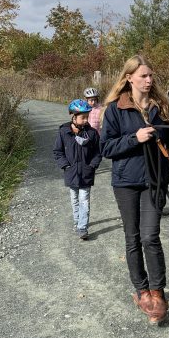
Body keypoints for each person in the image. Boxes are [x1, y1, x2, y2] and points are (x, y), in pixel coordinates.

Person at [100, 55, 169, 325]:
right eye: (143, 76)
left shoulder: (161, 108)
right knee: (133, 238)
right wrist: (134, 138)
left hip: (154, 181)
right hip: (126, 183)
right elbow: (106, 148)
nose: (149, 80)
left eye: (151, 76)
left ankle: (158, 292)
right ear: (129, 78)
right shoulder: (116, 109)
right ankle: (142, 291)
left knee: (150, 237)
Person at [53, 99, 102, 240]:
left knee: (84, 200)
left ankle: (82, 227)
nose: (86, 120)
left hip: (86, 173)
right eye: (83, 117)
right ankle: (77, 221)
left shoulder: (92, 133)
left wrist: (92, 165)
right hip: (71, 173)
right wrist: (65, 165)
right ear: (73, 116)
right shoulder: (64, 132)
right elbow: (58, 151)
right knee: (74, 199)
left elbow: (98, 152)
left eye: (87, 116)